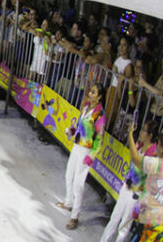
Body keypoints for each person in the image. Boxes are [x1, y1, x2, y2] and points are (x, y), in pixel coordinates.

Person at [58, 84, 106, 230]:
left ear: (99, 97)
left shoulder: (100, 115)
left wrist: (92, 156)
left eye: (93, 92)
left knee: (78, 184)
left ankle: (75, 216)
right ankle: (68, 202)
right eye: (90, 91)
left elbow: (99, 139)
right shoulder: (85, 108)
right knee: (68, 175)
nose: (90, 93)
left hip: (86, 151)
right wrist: (72, 131)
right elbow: (80, 126)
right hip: (77, 146)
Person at [100, 121, 158, 242]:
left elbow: (137, 160)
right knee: (114, 218)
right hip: (127, 186)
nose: (140, 133)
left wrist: (130, 134)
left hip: (136, 194)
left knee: (124, 226)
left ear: (150, 135)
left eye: (143, 130)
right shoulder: (139, 145)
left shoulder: (153, 153)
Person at [126, 122, 163, 241]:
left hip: (151, 219)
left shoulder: (158, 164)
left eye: (158, 144)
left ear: (162, 147)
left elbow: (135, 158)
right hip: (162, 220)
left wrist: (130, 134)